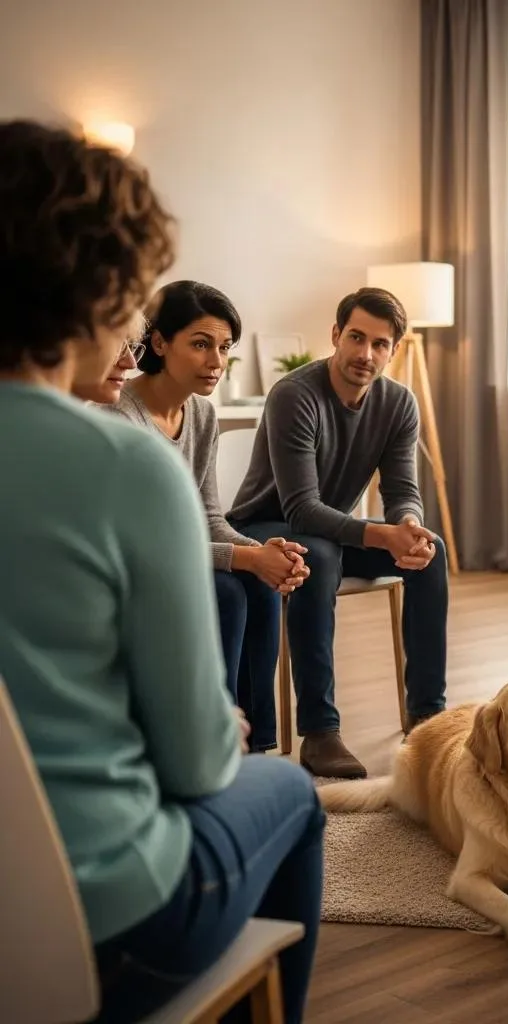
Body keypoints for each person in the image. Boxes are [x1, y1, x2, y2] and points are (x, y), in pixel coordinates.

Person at [0, 120, 323, 1024]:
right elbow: (193, 764)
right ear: (101, 293)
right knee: (289, 788)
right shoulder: (117, 461)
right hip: (100, 927)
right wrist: (214, 726)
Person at [228, 286, 448, 779]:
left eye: (380, 343)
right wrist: (379, 534)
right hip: (264, 527)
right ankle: (320, 731)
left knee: (432, 551)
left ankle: (428, 715)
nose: (365, 354)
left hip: (331, 531)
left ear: (394, 350)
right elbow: (301, 509)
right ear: (335, 335)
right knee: (322, 554)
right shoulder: (295, 394)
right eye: (356, 337)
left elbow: (402, 489)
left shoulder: (398, 404)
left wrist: (408, 525)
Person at [110, 280, 309, 752]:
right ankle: (209, 741)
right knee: (228, 593)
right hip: (139, 566)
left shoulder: (201, 415)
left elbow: (209, 517)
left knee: (258, 587)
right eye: (200, 345)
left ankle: (254, 745)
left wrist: (263, 554)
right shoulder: (120, 417)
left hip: (181, 556)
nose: (216, 362)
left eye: (223, 347)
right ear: (159, 342)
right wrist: (246, 560)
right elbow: (147, 543)